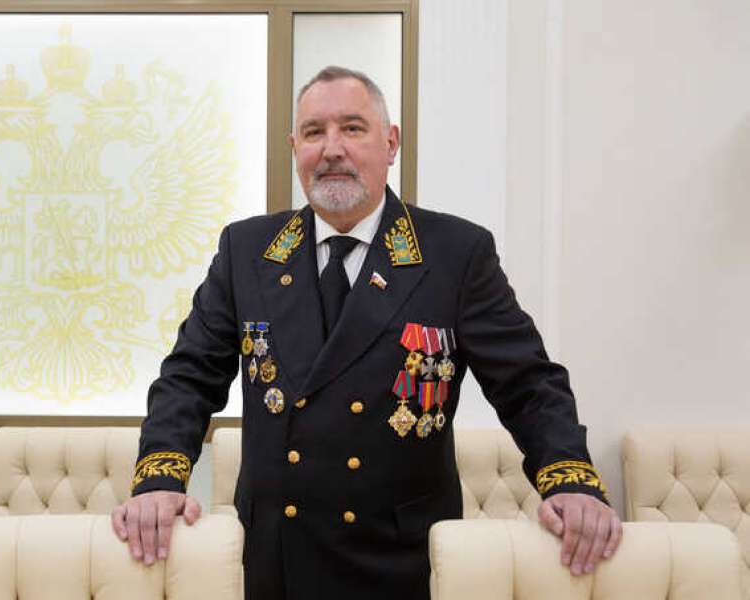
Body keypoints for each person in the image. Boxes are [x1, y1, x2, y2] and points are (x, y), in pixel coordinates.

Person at [113, 66, 621, 600]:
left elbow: (527, 383)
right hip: (278, 559)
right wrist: (159, 480)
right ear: (295, 147)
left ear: (391, 142)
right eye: (314, 132)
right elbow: (190, 377)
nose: (332, 149)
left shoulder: (454, 252)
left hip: (402, 560)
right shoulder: (248, 250)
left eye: (353, 128)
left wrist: (569, 481)